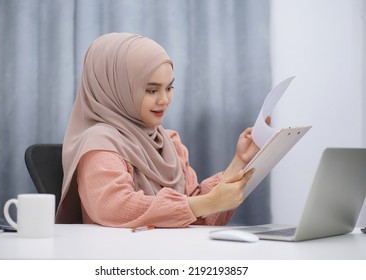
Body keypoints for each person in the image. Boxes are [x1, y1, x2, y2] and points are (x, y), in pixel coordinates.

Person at [55, 33, 259, 228]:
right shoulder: (99, 144)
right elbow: (114, 206)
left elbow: (195, 209)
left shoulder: (168, 142)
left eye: (169, 88)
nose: (164, 100)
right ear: (117, 89)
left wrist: (239, 161)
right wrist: (206, 203)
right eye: (152, 90)